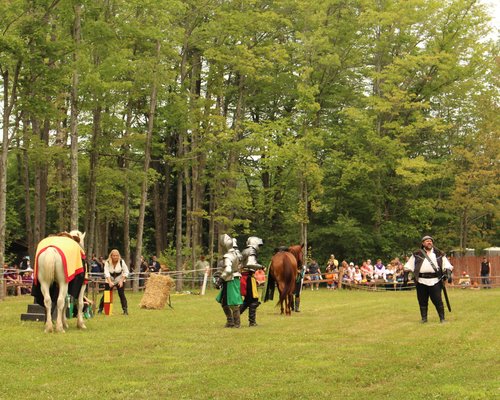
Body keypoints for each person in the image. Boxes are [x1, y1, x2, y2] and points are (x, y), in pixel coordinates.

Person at [404, 236, 453, 323]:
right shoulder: (417, 254)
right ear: (423, 243)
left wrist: (448, 273)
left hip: (435, 280)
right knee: (422, 300)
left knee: (438, 300)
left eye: (430, 241)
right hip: (421, 280)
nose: (429, 242)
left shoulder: (439, 253)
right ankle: (424, 319)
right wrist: (406, 275)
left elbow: (447, 265)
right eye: (427, 241)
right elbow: (408, 266)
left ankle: (442, 319)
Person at [215, 234, 243, 328]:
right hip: (231, 279)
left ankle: (237, 323)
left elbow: (228, 270)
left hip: (230, 279)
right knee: (224, 301)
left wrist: (220, 280)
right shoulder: (236, 253)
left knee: (233, 302)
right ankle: (230, 321)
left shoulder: (228, 255)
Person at [239, 236, 264, 326]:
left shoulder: (245, 251)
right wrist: (261, 266)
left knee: (248, 300)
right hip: (249, 278)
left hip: (245, 277)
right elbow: (250, 263)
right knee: (253, 300)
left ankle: (235, 317)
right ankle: (252, 322)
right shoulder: (251, 251)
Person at [98, 249, 130, 315]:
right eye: (114, 255)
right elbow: (106, 272)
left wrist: (121, 281)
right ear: (111, 256)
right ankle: (100, 309)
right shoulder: (107, 262)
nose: (115, 257)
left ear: (118, 256)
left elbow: (126, 272)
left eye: (116, 255)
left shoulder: (121, 262)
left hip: (119, 278)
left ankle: (125, 310)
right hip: (110, 278)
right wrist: (109, 282)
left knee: (121, 294)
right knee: (106, 294)